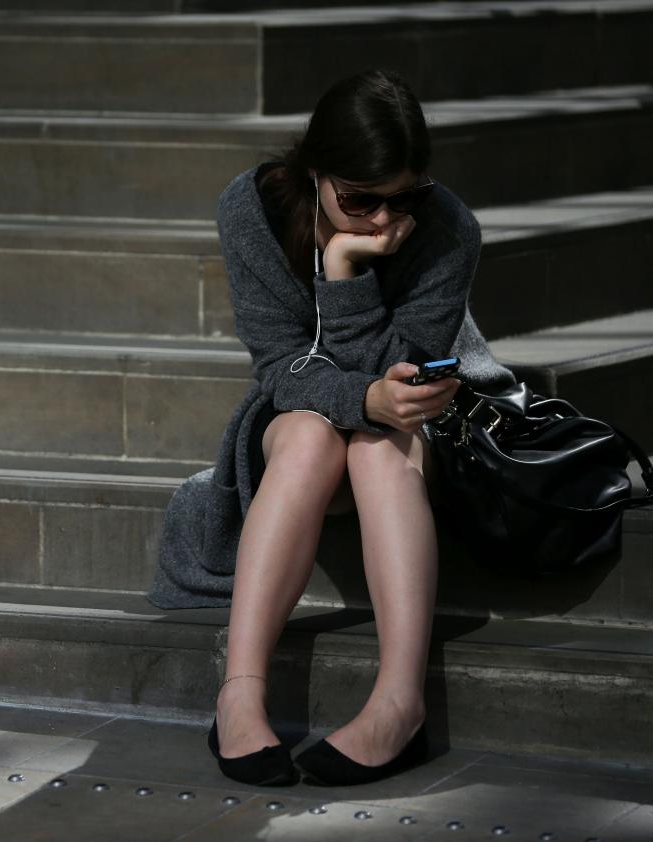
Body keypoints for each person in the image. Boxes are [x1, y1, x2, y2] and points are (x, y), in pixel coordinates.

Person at [145, 69, 517, 787]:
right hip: (301, 419)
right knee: (313, 433)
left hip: (418, 426)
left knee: (380, 451)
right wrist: (342, 279)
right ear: (314, 171)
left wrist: (346, 283)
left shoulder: (446, 230)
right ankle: (241, 696)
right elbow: (280, 368)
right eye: (360, 199)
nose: (383, 220)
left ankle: (399, 706)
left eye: (403, 197)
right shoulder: (251, 210)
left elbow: (404, 379)